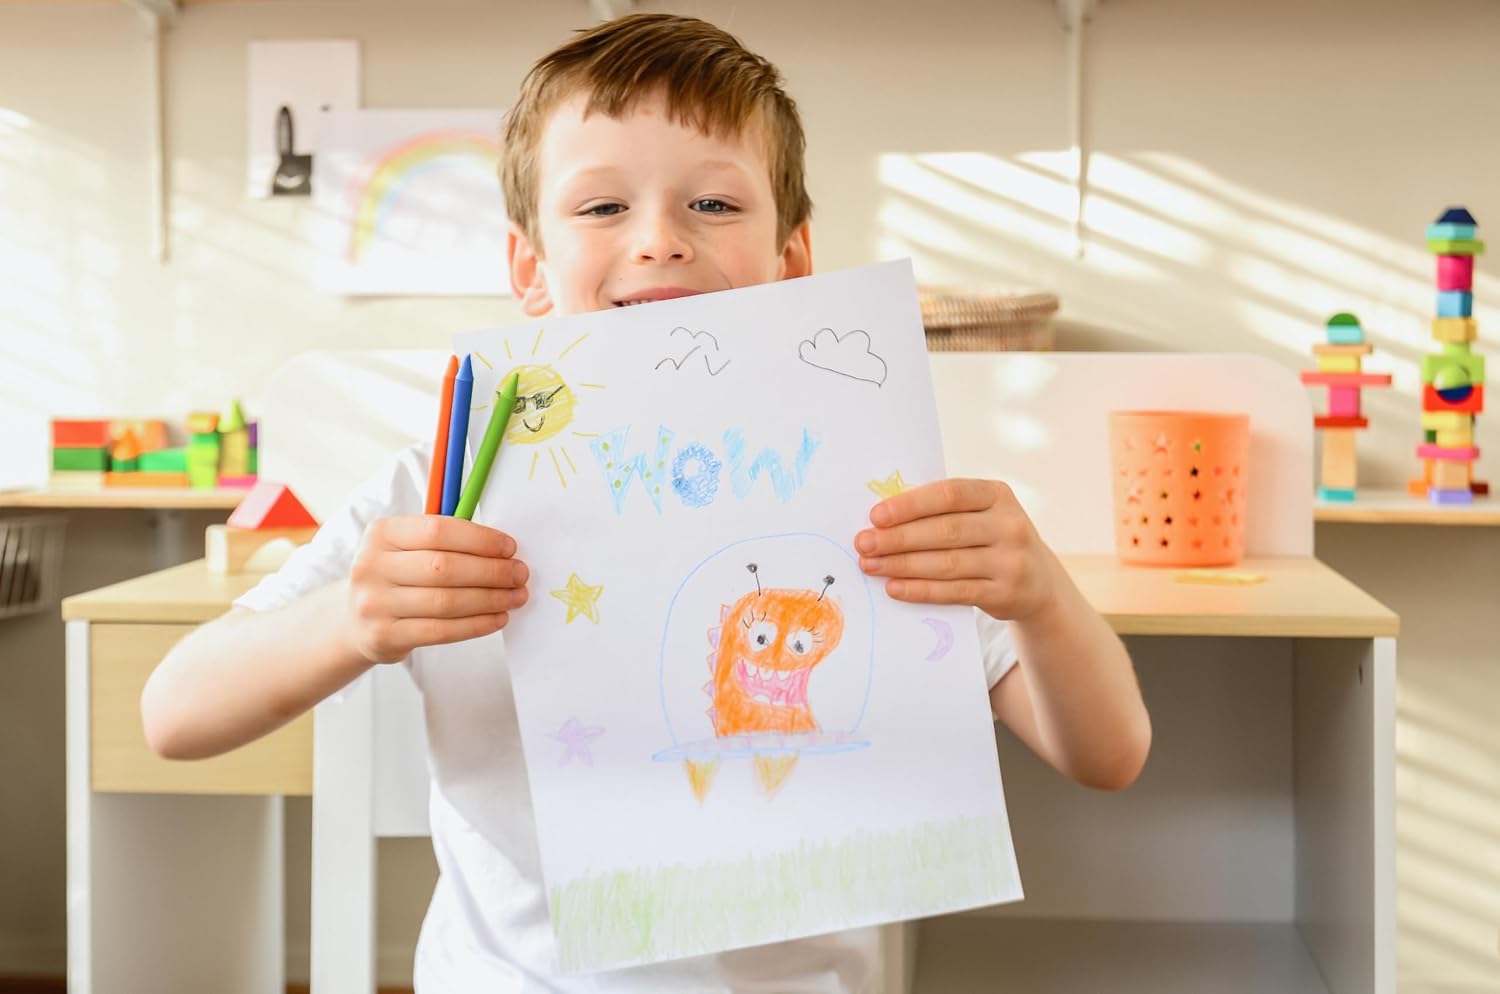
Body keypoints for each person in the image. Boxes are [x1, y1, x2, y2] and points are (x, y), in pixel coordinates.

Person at [142, 13, 1150, 992]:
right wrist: (351, 619)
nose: (661, 240)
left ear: (794, 259)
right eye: (601, 207)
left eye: (712, 203)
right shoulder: (444, 486)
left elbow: (1109, 754)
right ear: (530, 269)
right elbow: (175, 713)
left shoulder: (873, 482)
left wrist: (1039, 595)